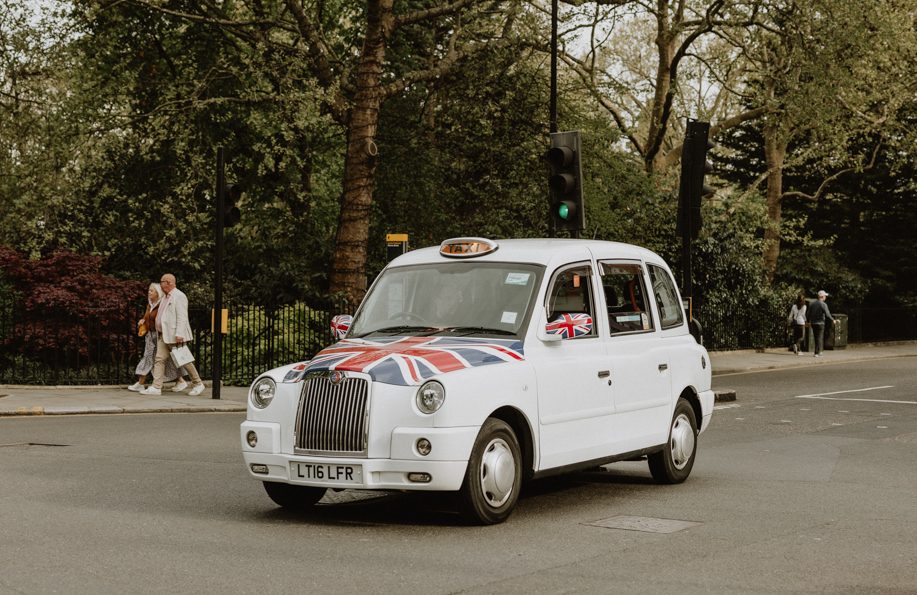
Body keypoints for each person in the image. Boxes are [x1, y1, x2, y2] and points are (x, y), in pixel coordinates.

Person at [141, 274, 206, 396]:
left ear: (169, 283)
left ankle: (198, 383)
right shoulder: (165, 297)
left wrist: (179, 334)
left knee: (184, 360)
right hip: (163, 334)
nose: (160, 285)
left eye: (162, 282)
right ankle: (156, 387)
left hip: (174, 336)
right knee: (159, 359)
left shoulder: (179, 296)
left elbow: (182, 317)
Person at [128, 283, 189, 392]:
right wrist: (143, 321)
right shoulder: (150, 304)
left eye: (152, 291)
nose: (149, 292)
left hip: (160, 335)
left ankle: (142, 383)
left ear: (158, 293)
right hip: (150, 336)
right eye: (149, 290)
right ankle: (180, 381)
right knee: (153, 358)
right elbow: (148, 318)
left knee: (157, 358)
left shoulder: (162, 304)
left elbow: (164, 318)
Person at [806, 290, 836, 358]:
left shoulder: (812, 304)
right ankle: (818, 352)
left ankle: (818, 352)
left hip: (813, 323)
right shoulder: (823, 304)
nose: (825, 297)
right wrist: (832, 320)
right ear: (822, 296)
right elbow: (827, 314)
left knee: (816, 337)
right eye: (825, 296)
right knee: (819, 337)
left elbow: (808, 313)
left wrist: (807, 321)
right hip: (820, 323)